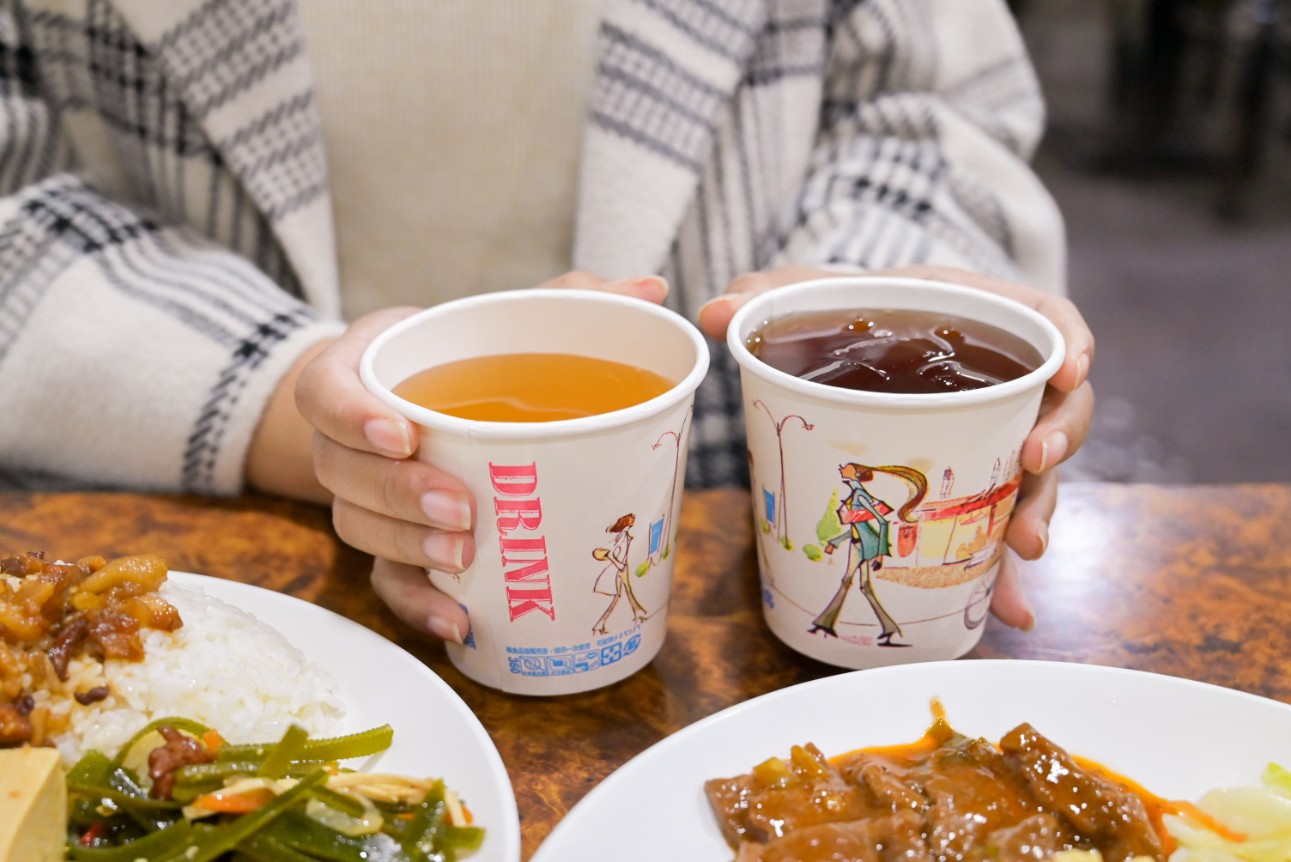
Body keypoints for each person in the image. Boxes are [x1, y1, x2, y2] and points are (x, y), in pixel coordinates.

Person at [0, 0, 1093, 647]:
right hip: (240, 541)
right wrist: (300, 402)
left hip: (728, 558)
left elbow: (923, 108)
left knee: (842, 596)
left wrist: (872, 334)